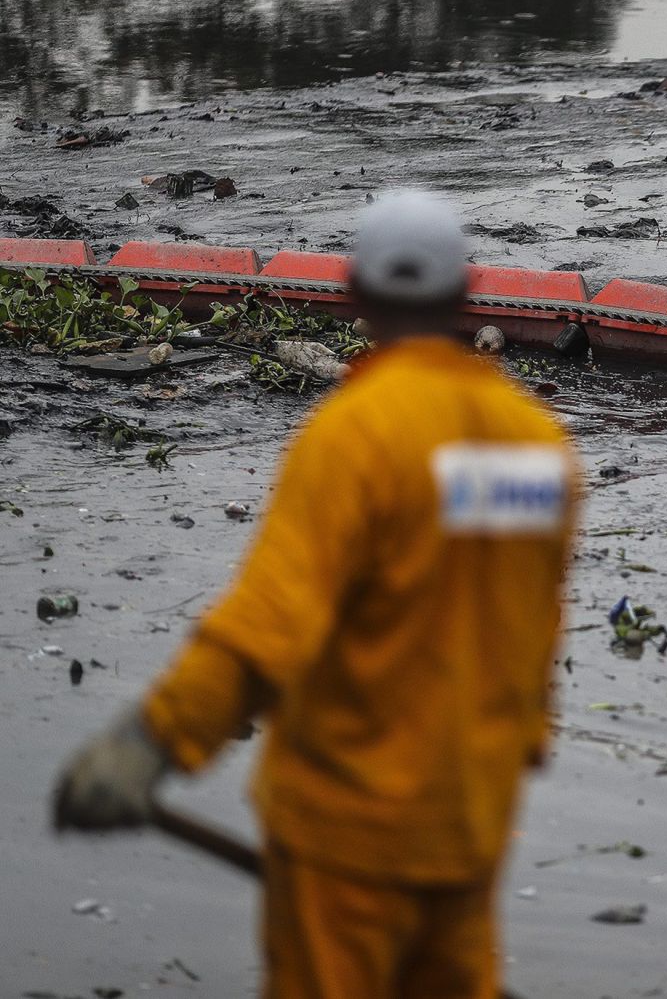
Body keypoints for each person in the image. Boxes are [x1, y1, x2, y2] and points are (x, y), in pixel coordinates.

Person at [53, 191, 579, 999]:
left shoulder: (352, 437)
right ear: (466, 292)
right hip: (466, 821)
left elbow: (269, 624)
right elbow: (525, 622)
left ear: (355, 293)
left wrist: (150, 743)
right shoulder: (536, 446)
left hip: (347, 826)